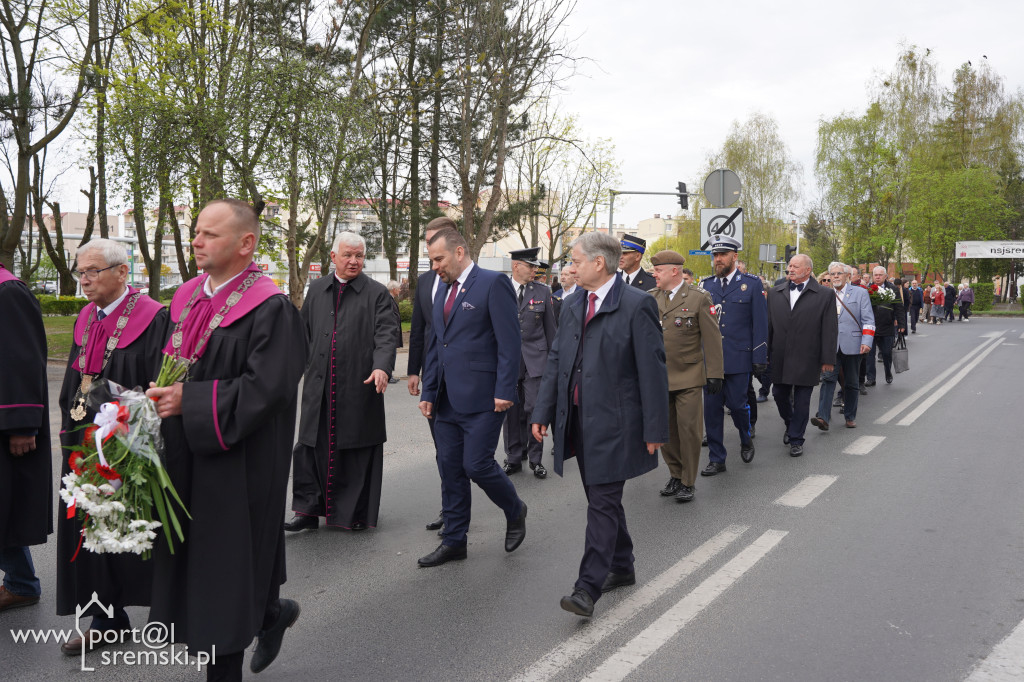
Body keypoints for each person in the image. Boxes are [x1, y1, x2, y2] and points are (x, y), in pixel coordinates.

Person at [146, 199, 307, 680]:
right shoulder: (188, 298)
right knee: (200, 563)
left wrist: (190, 403)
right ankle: (270, 614)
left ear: (245, 244)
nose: (196, 241)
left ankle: (230, 660)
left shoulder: (270, 306)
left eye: (210, 234)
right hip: (186, 454)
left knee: (225, 567)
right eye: (196, 232)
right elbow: (166, 363)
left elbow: (269, 389)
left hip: (239, 463)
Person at [530, 231, 668, 617]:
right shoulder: (574, 303)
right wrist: (542, 412)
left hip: (617, 423)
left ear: (598, 264)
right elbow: (557, 360)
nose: (569, 267)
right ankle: (622, 566)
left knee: (603, 503)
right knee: (600, 499)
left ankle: (587, 588)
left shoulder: (637, 305)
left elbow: (653, 372)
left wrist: (655, 429)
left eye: (575, 261)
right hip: (578, 421)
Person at [55, 239, 169, 654]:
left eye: (93, 271)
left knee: (136, 526)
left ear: (123, 272)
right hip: (83, 442)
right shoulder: (86, 316)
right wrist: (69, 428)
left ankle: (168, 610)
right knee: (89, 527)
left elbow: (159, 383)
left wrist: (130, 435)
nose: (84, 280)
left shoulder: (154, 317)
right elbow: (75, 378)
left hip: (128, 443)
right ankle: (105, 617)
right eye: (80, 272)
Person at [417, 227, 527, 568]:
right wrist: (429, 391)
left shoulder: (493, 283)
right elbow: (437, 345)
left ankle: (514, 508)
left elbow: (510, 343)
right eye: (431, 260)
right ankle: (454, 541)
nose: (435, 266)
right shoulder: (442, 290)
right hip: (446, 399)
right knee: (449, 468)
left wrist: (505, 390)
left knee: (476, 464)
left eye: (439, 258)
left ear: (460, 252)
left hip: (485, 396)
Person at [287, 232, 400, 533]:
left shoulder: (377, 293)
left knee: (354, 447)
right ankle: (308, 511)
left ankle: (352, 513)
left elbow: (386, 336)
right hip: (318, 384)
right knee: (311, 444)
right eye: (348, 255)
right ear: (333, 257)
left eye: (359, 255)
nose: (354, 261)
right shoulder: (317, 288)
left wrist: (382, 368)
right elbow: (303, 335)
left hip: (357, 385)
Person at [649, 250, 722, 503]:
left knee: (689, 431)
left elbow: (712, 338)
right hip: (659, 377)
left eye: (658, 271)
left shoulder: (699, 297)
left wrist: (714, 374)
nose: (654, 274)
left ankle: (688, 481)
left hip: (689, 375)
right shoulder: (650, 298)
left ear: (674, 271)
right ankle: (676, 474)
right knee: (666, 432)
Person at [0, 263, 51, 613]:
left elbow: (22, 360)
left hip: (6, 421)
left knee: (6, 506)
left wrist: (21, 425)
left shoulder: (9, 292)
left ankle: (21, 584)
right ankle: (20, 581)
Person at [699, 234, 766, 474]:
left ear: (734, 257)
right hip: (711, 361)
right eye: (715, 255)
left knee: (738, 406)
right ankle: (717, 458)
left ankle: (745, 437)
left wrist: (759, 357)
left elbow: (760, 324)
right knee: (712, 410)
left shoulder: (752, 284)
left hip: (739, 357)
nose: (717, 259)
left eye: (722, 255)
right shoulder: (706, 285)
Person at [407, 217, 455, 535]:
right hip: (433, 378)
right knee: (442, 447)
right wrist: (413, 370)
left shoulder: (463, 279)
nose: (429, 245)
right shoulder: (425, 282)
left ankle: (457, 509)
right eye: (426, 241)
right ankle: (449, 508)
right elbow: (420, 330)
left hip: (462, 378)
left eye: (434, 239)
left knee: (462, 453)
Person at [765, 255, 838, 456]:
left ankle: (797, 438)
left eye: (795, 266)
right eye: (789, 266)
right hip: (780, 355)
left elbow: (829, 329)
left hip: (808, 355)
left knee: (802, 399)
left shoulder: (825, 295)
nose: (790, 269)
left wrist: (828, 358)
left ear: (807, 270)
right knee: (779, 394)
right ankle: (791, 423)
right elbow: (768, 326)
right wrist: (765, 353)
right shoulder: (774, 292)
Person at [502, 247, 556, 478]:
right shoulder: (499, 289)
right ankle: (514, 457)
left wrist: (555, 363)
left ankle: (536, 459)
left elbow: (551, 330)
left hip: (536, 359)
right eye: (531, 266)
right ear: (516, 266)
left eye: (536, 266)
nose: (535, 270)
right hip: (508, 360)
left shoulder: (543, 291)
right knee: (511, 411)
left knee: (535, 408)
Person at [812, 262, 874, 431]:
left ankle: (850, 416)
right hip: (830, 346)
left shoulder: (860, 293)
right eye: (833, 274)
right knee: (827, 380)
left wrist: (866, 342)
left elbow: (868, 319)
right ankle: (823, 418)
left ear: (847, 276)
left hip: (853, 345)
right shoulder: (824, 294)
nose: (836, 276)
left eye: (839, 273)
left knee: (852, 383)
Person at [865, 266, 905, 386]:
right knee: (869, 355)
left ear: (885, 276)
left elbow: (899, 307)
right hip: (870, 327)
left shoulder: (893, 289)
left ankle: (888, 372)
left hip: (887, 326)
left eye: (880, 275)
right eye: (875, 275)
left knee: (887, 353)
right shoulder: (867, 289)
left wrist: (901, 324)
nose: (877, 277)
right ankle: (871, 378)